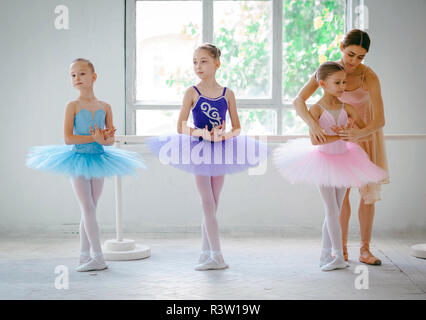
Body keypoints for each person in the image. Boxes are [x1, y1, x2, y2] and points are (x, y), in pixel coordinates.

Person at [146, 43, 267, 271]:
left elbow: (237, 127)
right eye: (195, 62)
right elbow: (181, 126)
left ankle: (205, 252)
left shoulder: (227, 94)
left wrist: (224, 135)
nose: (198, 66)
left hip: (221, 150)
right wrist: (203, 133)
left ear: (216, 64)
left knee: (213, 204)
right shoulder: (192, 92)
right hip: (199, 149)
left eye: (203, 61)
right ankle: (217, 256)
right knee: (207, 203)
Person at [26, 58, 146, 272]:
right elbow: (68, 138)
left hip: (99, 159)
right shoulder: (72, 105)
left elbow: (109, 139)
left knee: (90, 209)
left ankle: (84, 255)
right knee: (88, 207)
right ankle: (98, 257)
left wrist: (103, 141)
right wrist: (95, 139)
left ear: (93, 77)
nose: (77, 78)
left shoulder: (105, 106)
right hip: (78, 159)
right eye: (73, 75)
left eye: (82, 74)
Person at [273, 62, 387, 271]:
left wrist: (353, 132)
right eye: (337, 83)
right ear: (323, 84)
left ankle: (326, 253)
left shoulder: (348, 108)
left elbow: (365, 131)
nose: (342, 86)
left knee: (334, 209)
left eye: (344, 82)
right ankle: (339, 257)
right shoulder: (316, 110)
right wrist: (339, 135)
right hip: (323, 162)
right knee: (332, 210)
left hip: (345, 160)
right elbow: (316, 141)